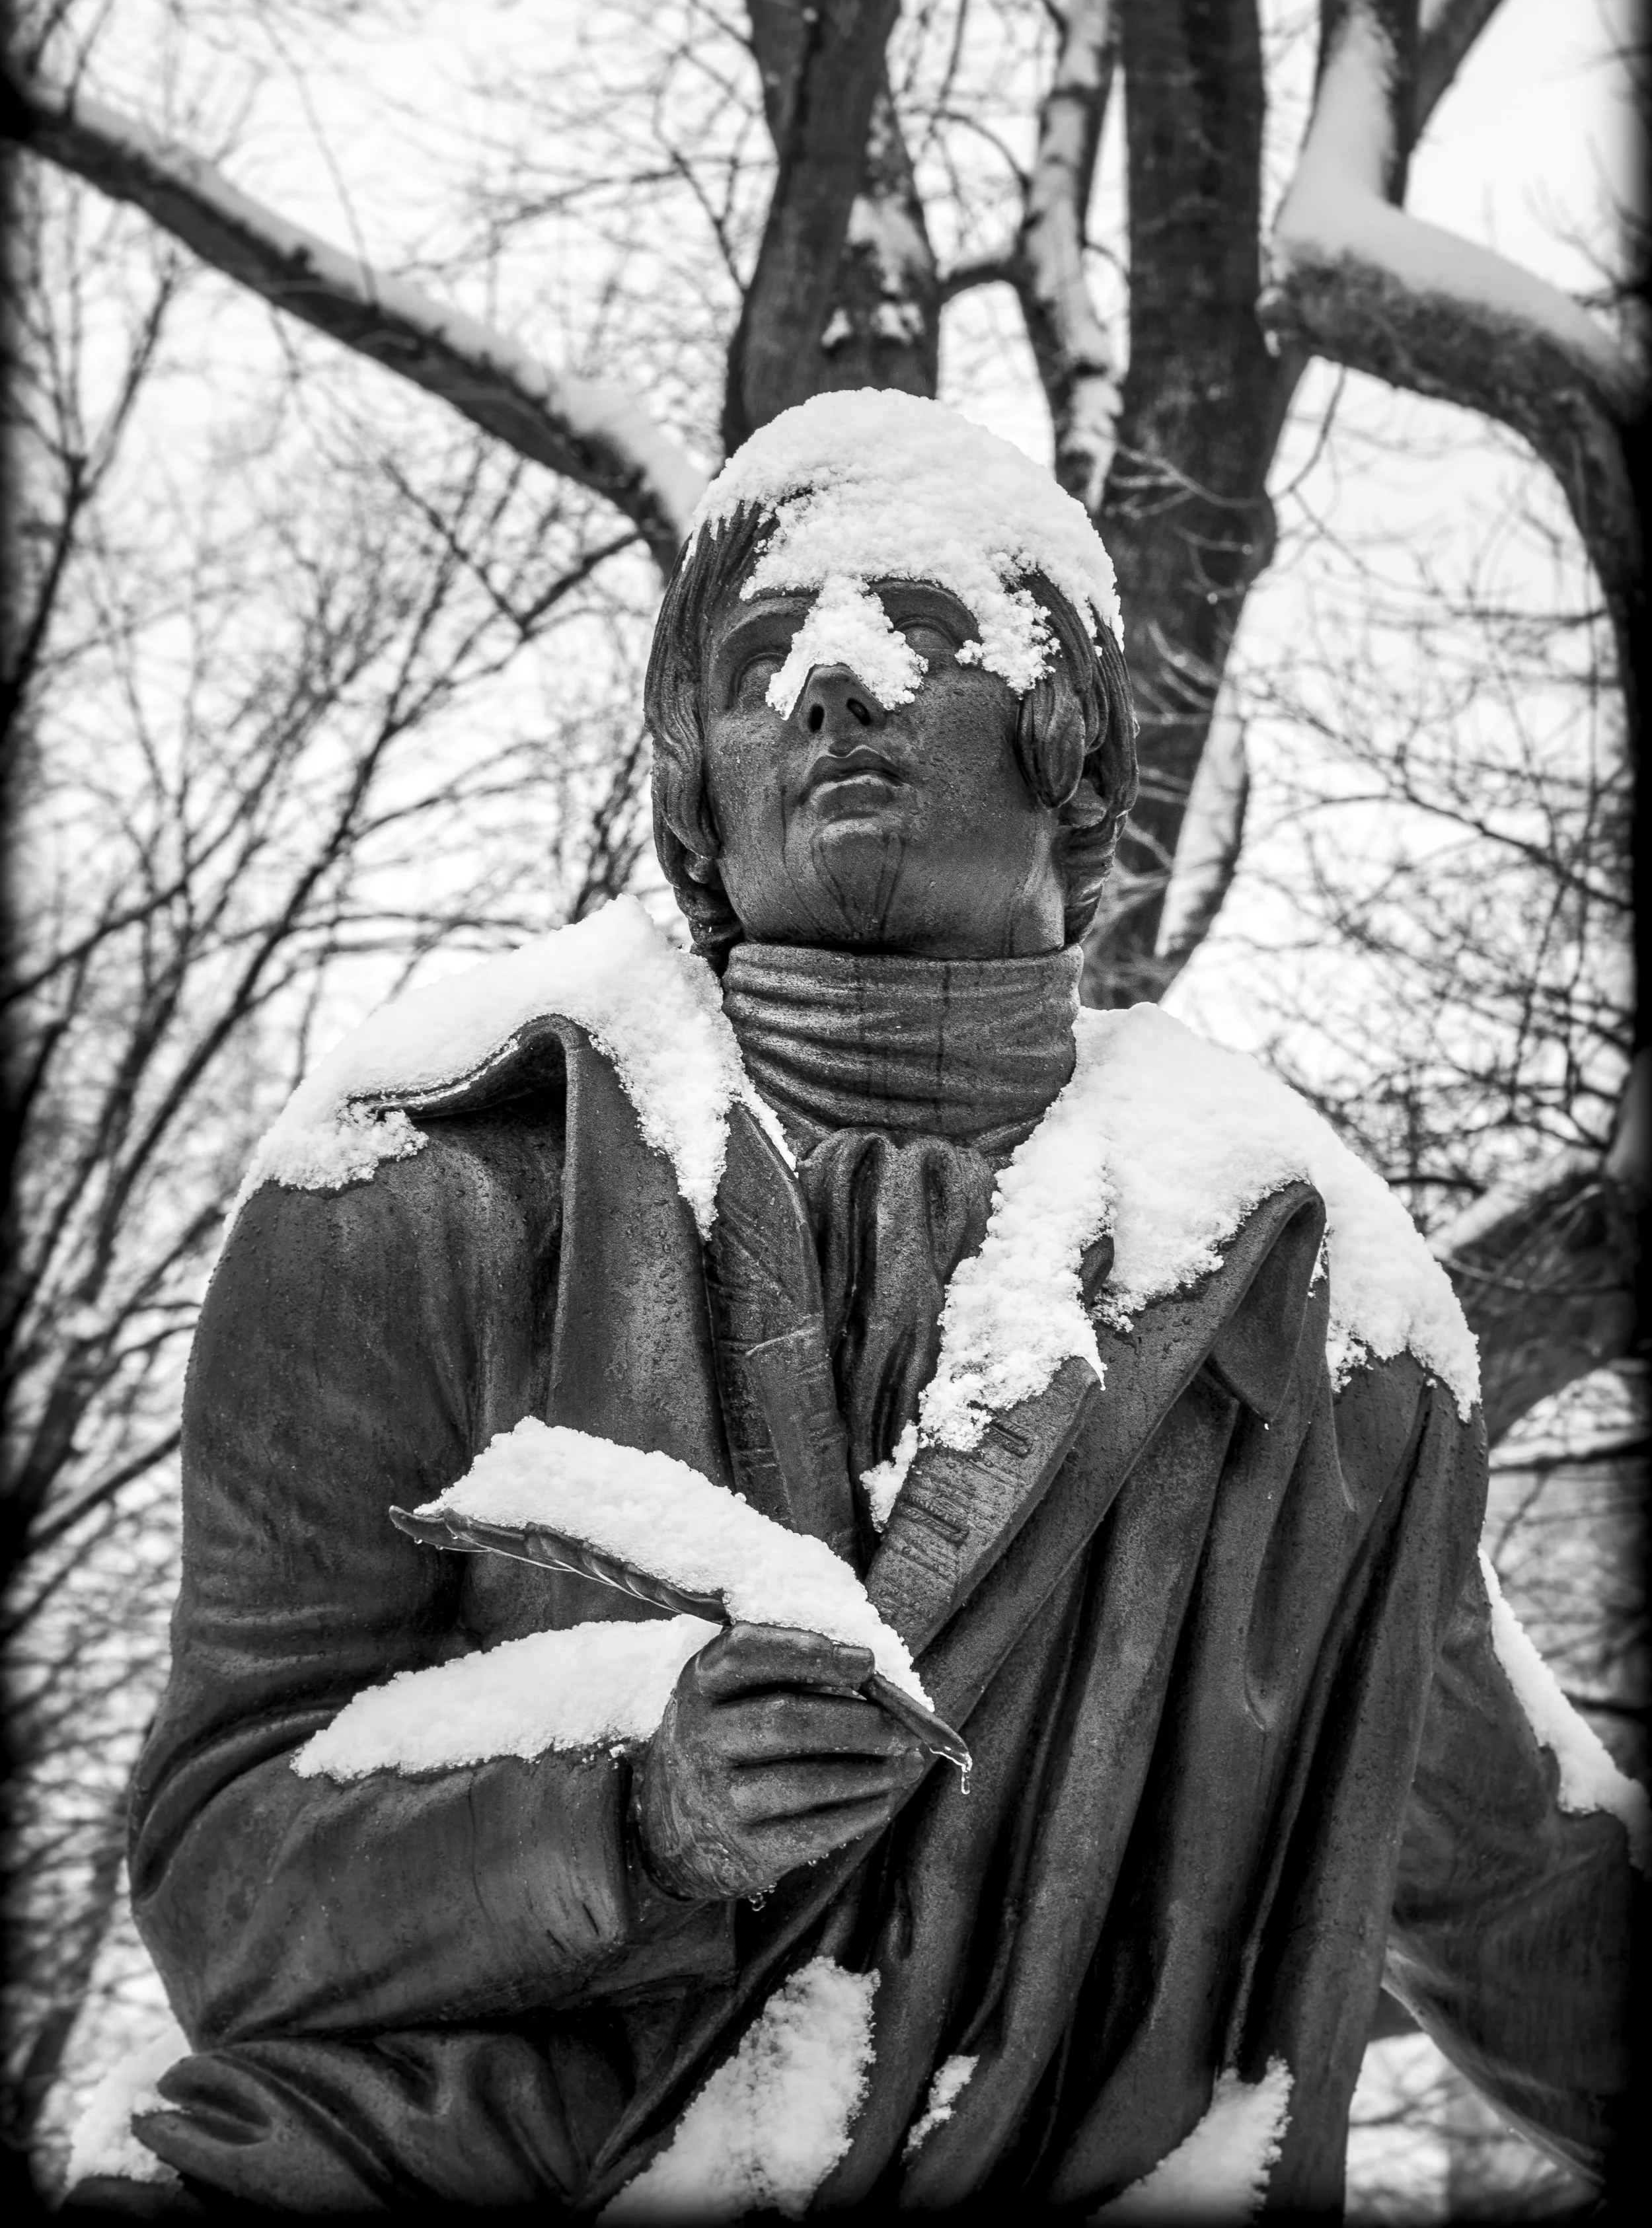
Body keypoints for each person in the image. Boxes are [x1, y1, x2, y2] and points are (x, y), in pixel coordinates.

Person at [104, 394, 1639, 2216]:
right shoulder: (420, 1192)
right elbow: (219, 1878)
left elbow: (1511, 1893)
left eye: (920, 626)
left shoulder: (1313, 1333)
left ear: (1073, 749)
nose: (831, 683)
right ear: (697, 784)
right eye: (763, 656)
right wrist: (628, 1812)